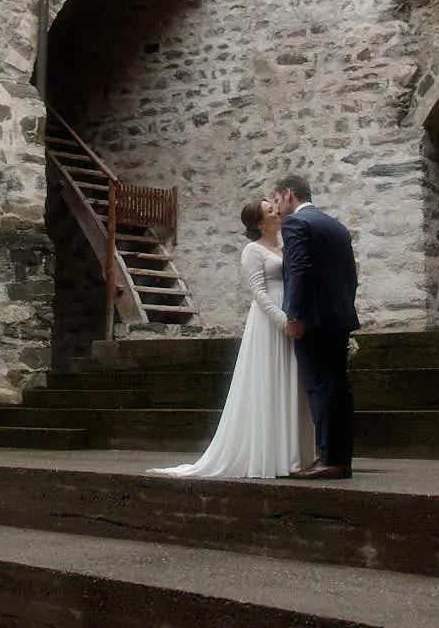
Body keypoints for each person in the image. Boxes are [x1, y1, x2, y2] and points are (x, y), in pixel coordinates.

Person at [147, 198, 315, 478]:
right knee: (270, 381)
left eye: (275, 208)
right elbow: (259, 293)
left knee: (292, 381)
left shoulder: (284, 245)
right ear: (260, 223)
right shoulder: (253, 250)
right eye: (271, 211)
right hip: (269, 321)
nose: (277, 212)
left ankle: (294, 453)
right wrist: (282, 320)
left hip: (291, 315)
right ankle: (270, 455)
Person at [274, 173, 359, 479]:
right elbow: (351, 274)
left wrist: (293, 314)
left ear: (288, 195)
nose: (277, 208)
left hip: (313, 320)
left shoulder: (295, 223)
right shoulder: (336, 226)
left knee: (320, 387)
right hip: (339, 318)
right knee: (339, 387)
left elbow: (298, 268)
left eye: (277, 200)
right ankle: (340, 457)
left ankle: (330, 460)